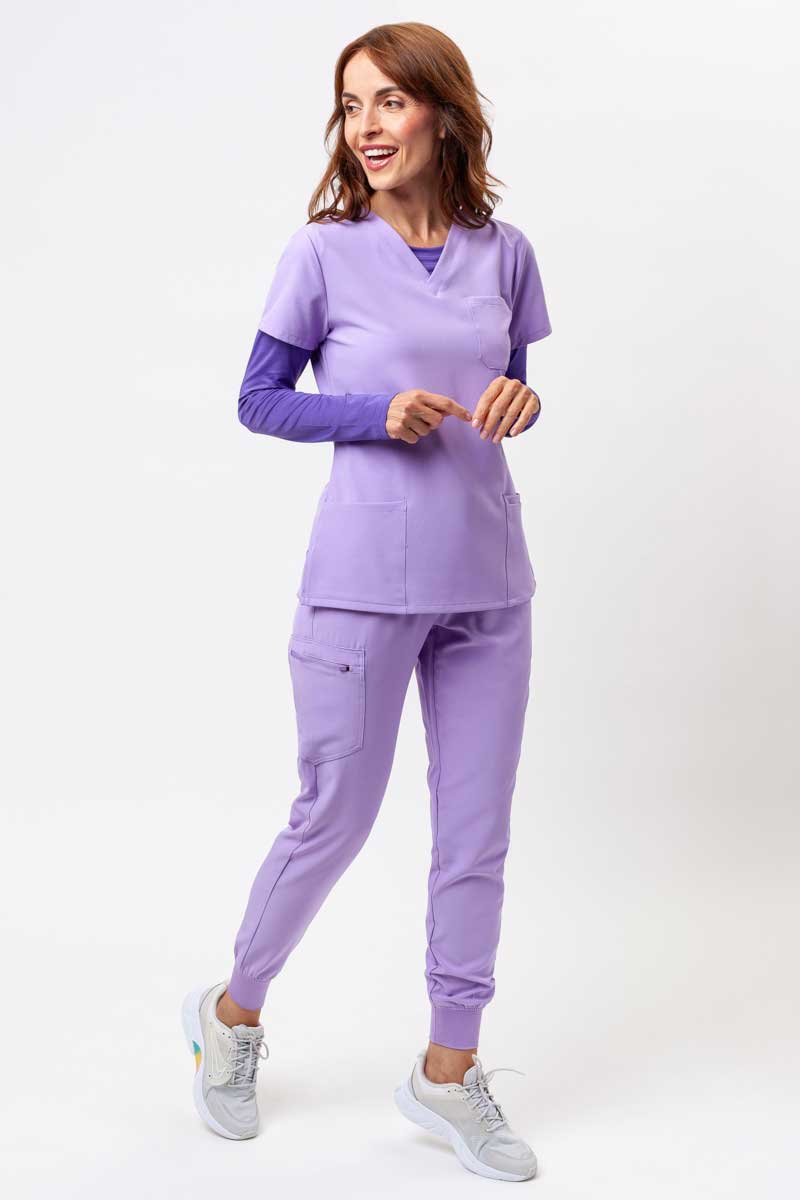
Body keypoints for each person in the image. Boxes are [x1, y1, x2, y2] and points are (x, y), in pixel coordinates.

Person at [181, 21, 551, 1183]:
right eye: (351, 106)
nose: (368, 125)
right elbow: (257, 400)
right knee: (332, 815)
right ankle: (231, 1015)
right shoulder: (323, 253)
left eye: (390, 100)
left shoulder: (504, 252)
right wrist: (368, 414)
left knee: (475, 836)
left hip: (487, 581)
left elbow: (510, 384)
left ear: (443, 112)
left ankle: (447, 1072)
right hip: (362, 585)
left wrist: (521, 403)